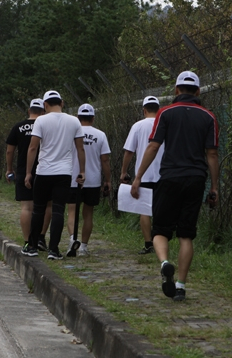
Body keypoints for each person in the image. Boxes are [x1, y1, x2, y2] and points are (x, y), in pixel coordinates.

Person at [131, 71, 219, 302]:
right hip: (196, 179)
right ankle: (180, 285)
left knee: (160, 230)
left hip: (169, 177)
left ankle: (164, 262)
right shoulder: (209, 117)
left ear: (176, 90)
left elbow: (153, 146)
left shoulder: (165, 113)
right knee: (186, 235)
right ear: (198, 91)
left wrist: (138, 176)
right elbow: (212, 153)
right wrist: (215, 187)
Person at [24, 90, 86, 260]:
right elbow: (80, 148)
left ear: (45, 105)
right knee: (58, 210)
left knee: (38, 210)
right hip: (64, 172)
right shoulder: (74, 121)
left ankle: (32, 246)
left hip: (43, 171)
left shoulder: (41, 120)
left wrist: (28, 172)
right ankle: (53, 250)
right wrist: (82, 171)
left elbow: (32, 147)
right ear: (62, 102)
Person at [5, 98, 51, 255]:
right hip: (45, 169)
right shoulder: (47, 126)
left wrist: (9, 168)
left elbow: (10, 150)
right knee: (47, 206)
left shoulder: (18, 127)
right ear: (43, 111)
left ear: (29, 110)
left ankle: (27, 241)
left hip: (24, 170)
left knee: (27, 207)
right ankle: (41, 238)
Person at [120, 96, 164, 255]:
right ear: (159, 109)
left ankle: (148, 244)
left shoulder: (137, 126)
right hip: (163, 174)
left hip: (143, 174)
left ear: (144, 110)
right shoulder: (164, 124)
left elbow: (129, 151)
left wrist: (124, 171)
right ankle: (161, 241)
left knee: (144, 209)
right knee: (161, 210)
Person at [66, 104, 111, 257]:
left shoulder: (71, 133)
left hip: (73, 178)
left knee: (72, 211)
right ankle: (83, 247)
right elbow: (105, 160)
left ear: (78, 118)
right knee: (88, 214)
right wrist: (108, 180)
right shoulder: (101, 135)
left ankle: (73, 239)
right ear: (93, 118)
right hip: (93, 179)